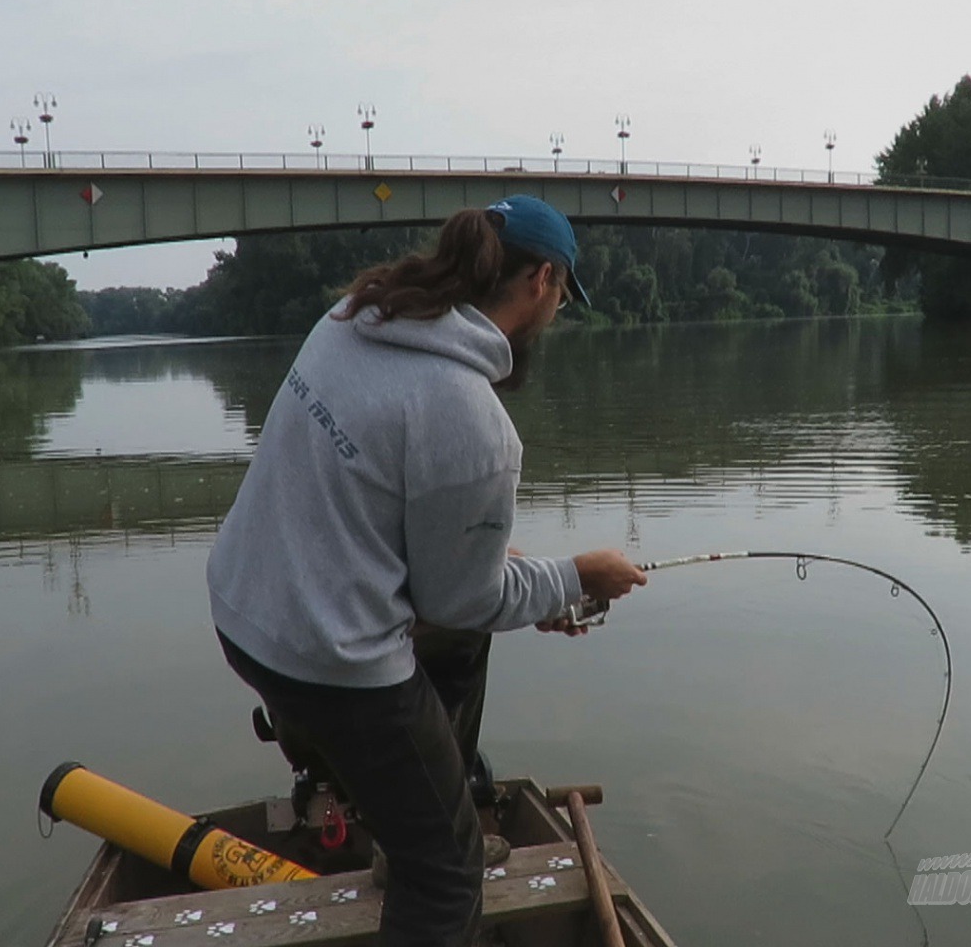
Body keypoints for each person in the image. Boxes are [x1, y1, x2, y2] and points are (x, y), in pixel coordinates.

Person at [206, 194, 646, 947]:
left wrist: (515, 577)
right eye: (564, 296)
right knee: (448, 869)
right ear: (542, 281)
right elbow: (462, 597)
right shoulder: (473, 421)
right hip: (327, 659)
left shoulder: (355, 316)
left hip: (244, 614)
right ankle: (417, 833)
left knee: (461, 644)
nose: (557, 312)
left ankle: (399, 801)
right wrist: (576, 577)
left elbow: (387, 524)